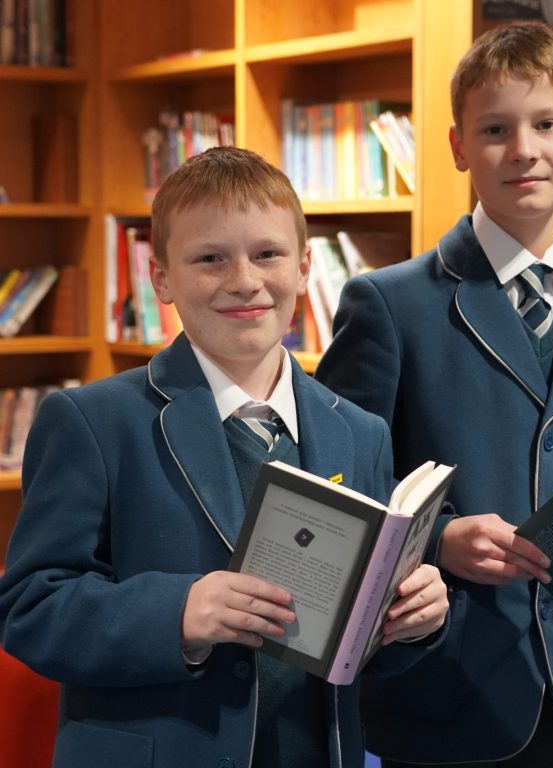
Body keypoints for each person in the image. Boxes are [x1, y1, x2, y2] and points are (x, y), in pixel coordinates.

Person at [0, 146, 449, 768]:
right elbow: (31, 608)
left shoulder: (359, 432)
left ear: (304, 267)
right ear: (161, 278)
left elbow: (360, 646)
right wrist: (178, 612)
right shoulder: (94, 421)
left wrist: (412, 620)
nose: (244, 279)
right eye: (210, 258)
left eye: (268, 254)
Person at [315, 21, 553, 767]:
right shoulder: (388, 304)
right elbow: (333, 483)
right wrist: (439, 537)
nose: (523, 149)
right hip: (436, 689)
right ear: (456, 148)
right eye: (495, 129)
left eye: (546, 124)